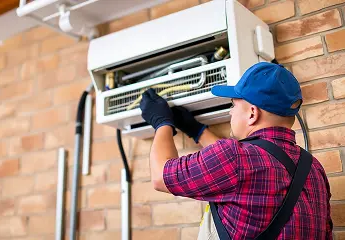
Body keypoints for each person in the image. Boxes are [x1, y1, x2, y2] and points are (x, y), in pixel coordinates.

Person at [139, 62, 332, 239]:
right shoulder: (314, 169)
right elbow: (245, 165)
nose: (230, 111)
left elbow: (160, 176)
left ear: (252, 113)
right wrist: (198, 131)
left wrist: (161, 123)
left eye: (233, 104)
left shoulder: (236, 158)